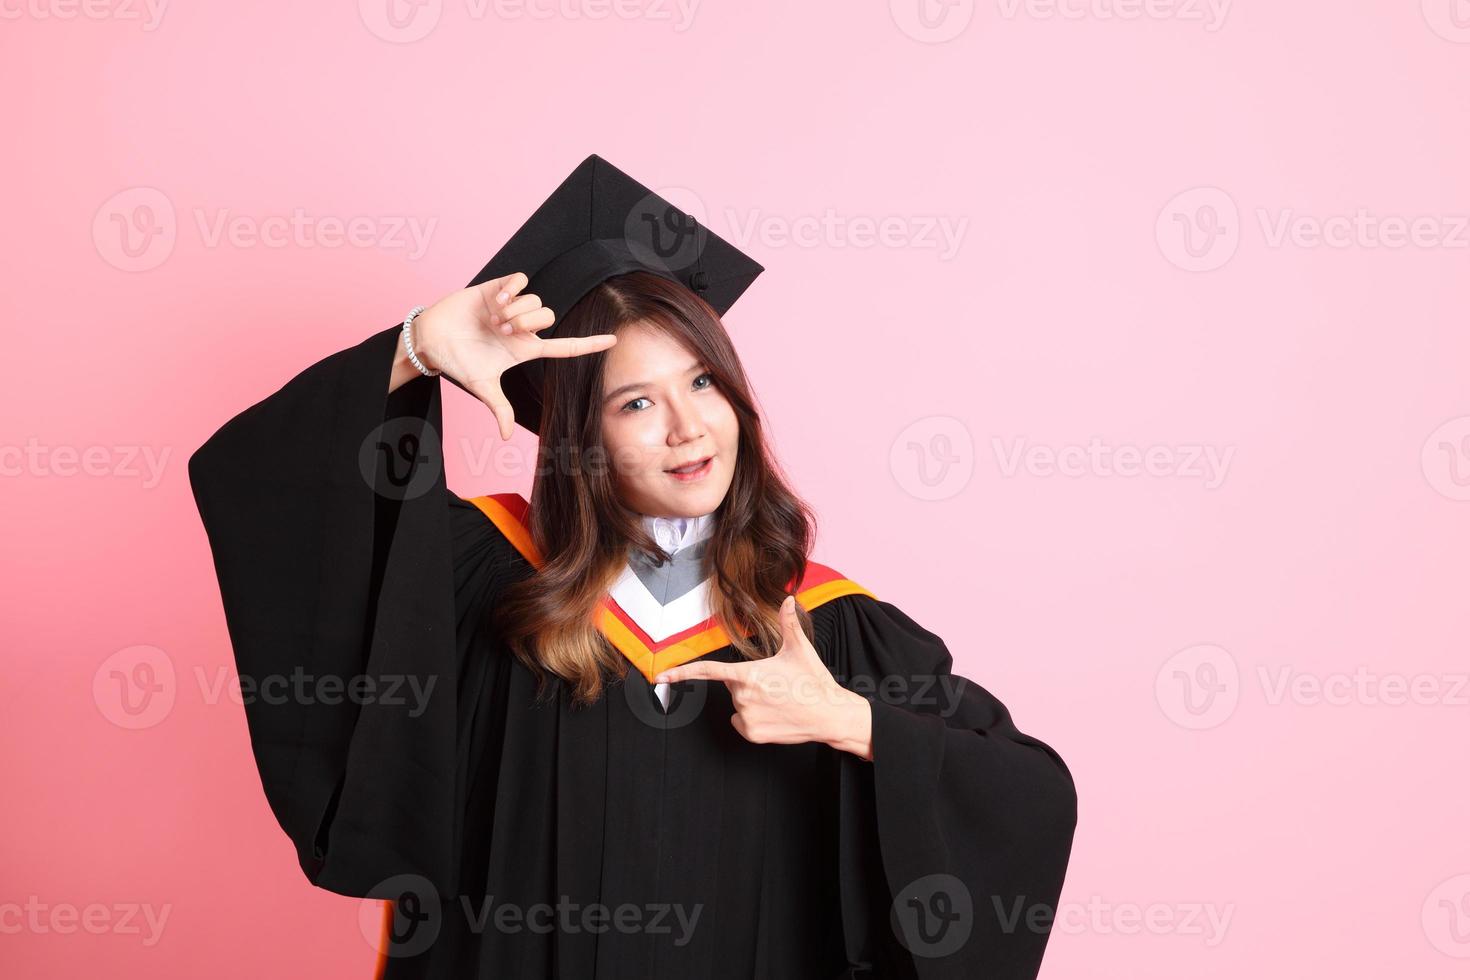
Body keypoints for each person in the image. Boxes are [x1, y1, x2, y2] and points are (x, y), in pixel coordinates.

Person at [188, 155, 1077, 980]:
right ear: (579, 436)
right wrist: (416, 347)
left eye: (703, 383)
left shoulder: (825, 626)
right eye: (636, 401)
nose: (688, 428)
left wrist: (852, 721)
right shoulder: (479, 583)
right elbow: (270, 488)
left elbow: (1029, 801)